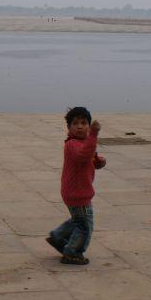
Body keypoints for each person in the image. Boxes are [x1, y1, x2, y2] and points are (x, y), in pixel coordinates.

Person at [46, 107, 105, 265]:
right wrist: (93, 134)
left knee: (78, 220)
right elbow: (83, 155)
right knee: (85, 225)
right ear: (69, 128)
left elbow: (89, 158)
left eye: (84, 123)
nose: (80, 126)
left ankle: (58, 237)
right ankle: (72, 252)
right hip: (77, 193)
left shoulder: (84, 143)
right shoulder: (72, 144)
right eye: (75, 123)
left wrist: (99, 162)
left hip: (76, 192)